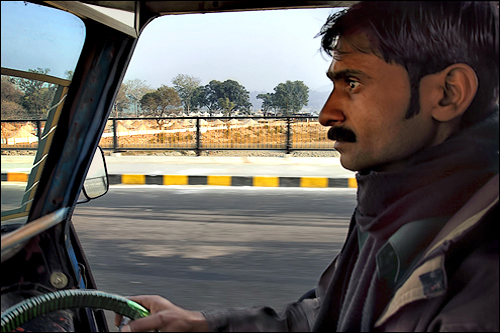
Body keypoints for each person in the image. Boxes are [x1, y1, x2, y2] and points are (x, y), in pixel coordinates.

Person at [115, 1, 499, 331]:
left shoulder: (482, 274)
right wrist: (205, 324)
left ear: (448, 93)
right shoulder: (393, 201)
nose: (325, 114)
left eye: (352, 82)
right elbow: (333, 312)